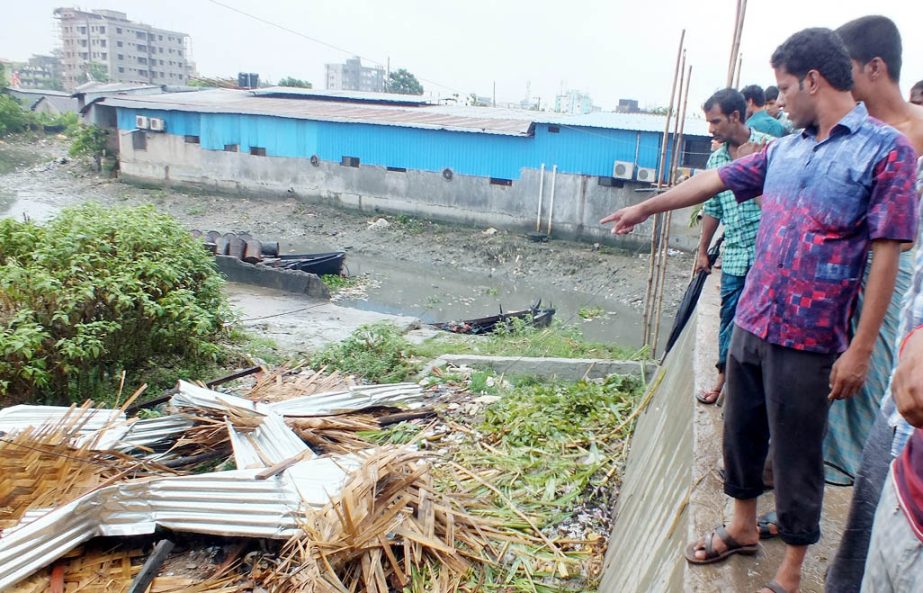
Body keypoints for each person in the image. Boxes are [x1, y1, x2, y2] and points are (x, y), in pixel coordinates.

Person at [600, 28, 918, 593]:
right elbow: (714, 179)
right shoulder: (784, 151)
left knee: (796, 452)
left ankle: (792, 570)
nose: (778, 101)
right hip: (754, 317)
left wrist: (862, 350)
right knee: (740, 434)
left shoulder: (885, 151)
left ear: (812, 81)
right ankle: (742, 527)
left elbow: (888, 255)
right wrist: (647, 206)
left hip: (811, 336)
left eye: (784, 88)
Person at [819, 15, 923, 592]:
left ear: (875, 69)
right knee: (872, 486)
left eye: (848, 72)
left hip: (900, 306)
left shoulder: (916, 136)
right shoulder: (850, 134)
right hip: (857, 295)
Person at [694, 88, 772, 404]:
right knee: (729, 319)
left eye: (715, 121)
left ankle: (757, 391)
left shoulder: (770, 149)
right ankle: (722, 381)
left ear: (735, 116)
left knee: (765, 328)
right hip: (736, 256)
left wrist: (749, 171)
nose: (710, 129)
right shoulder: (717, 159)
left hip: (769, 258)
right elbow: (713, 208)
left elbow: (784, 207)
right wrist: (702, 250)